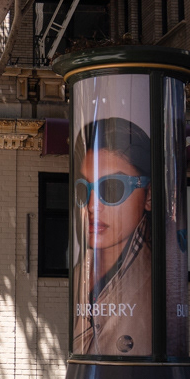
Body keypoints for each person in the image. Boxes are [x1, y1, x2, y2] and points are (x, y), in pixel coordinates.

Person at [73, 117, 152, 356]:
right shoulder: (79, 275)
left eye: (111, 188)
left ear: (149, 195)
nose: (91, 206)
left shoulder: (158, 282)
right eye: (83, 190)